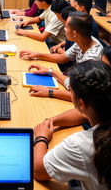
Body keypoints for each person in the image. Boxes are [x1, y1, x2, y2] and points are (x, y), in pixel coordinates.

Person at [34, 60, 111, 190]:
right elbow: (83, 114)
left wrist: (41, 138)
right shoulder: (102, 109)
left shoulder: (82, 144)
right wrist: (50, 121)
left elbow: (38, 170)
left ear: (80, 103)